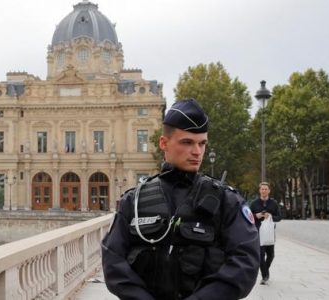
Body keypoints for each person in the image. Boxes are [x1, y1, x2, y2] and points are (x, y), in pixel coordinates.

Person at [101, 99, 260, 300]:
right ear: (164, 143)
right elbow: (112, 261)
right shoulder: (134, 201)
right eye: (187, 142)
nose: (197, 152)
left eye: (202, 143)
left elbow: (245, 263)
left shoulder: (226, 200)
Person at [249, 182, 281, 285]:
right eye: (262, 189)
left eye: (265, 189)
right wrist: (256, 216)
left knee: (271, 255)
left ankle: (265, 270)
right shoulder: (254, 203)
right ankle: (264, 276)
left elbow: (279, 217)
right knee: (261, 255)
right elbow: (247, 217)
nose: (264, 191)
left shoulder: (274, 203)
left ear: (269, 191)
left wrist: (271, 216)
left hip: (270, 233)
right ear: (259, 190)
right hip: (258, 233)